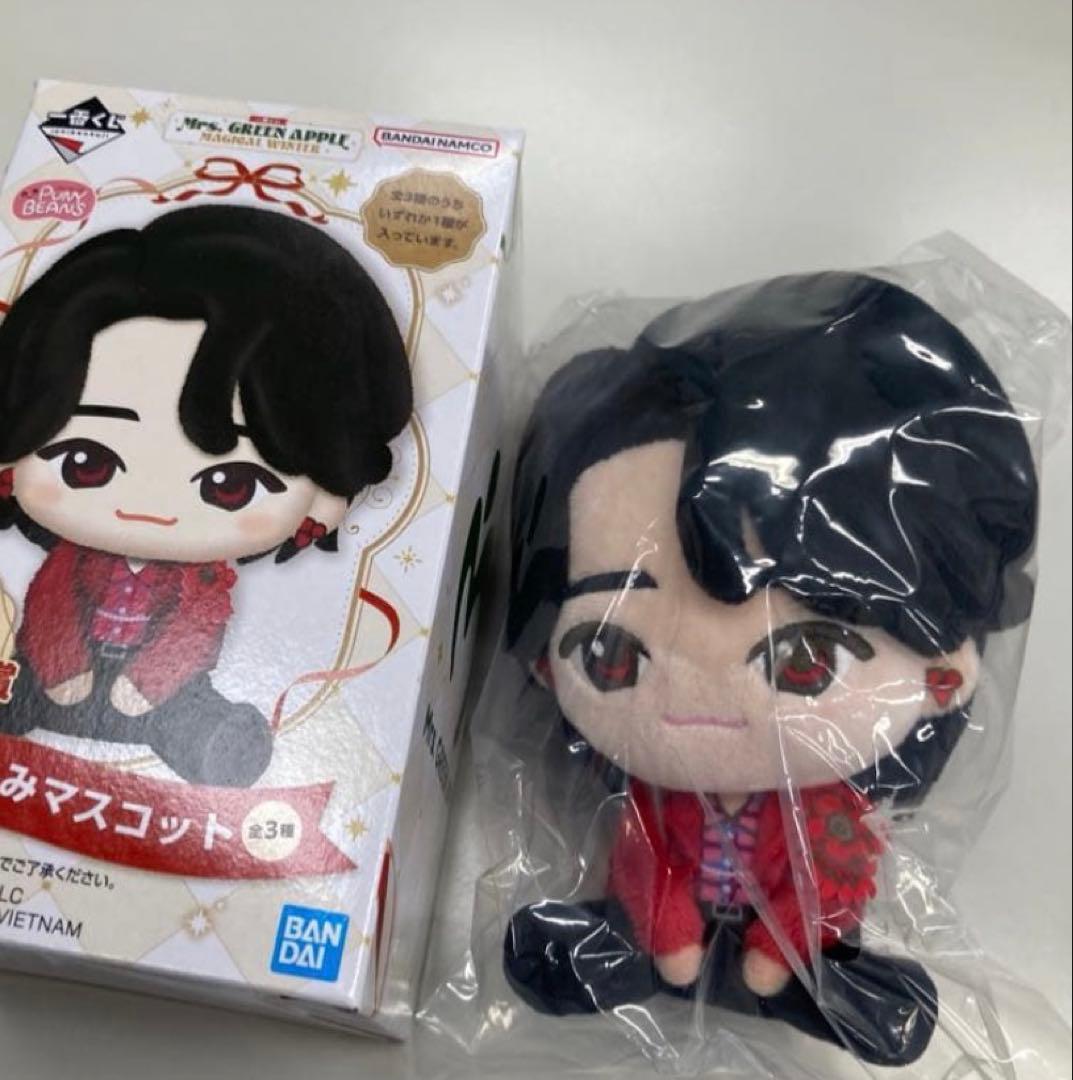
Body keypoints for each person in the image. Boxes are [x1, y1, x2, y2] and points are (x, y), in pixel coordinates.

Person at [500, 272, 1037, 1066]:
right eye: (611, 654)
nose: (700, 705)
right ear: (546, 662)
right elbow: (646, 864)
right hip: (660, 925)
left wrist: (777, 950)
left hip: (785, 943)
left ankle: (798, 979)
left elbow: (831, 883)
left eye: (805, 662)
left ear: (943, 675)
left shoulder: (833, 814)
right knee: (629, 918)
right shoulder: (646, 804)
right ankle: (640, 953)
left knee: (811, 950)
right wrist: (669, 936)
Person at [0, 205, 412, 787]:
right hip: (59, 667)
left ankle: (205, 740)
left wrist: (147, 685)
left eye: (229, 485)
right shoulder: (69, 562)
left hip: (161, 687)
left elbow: (193, 632)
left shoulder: (206, 581)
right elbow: (49, 606)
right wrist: (61, 666)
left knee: (190, 718)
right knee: (18, 684)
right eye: (87, 463)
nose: (146, 509)